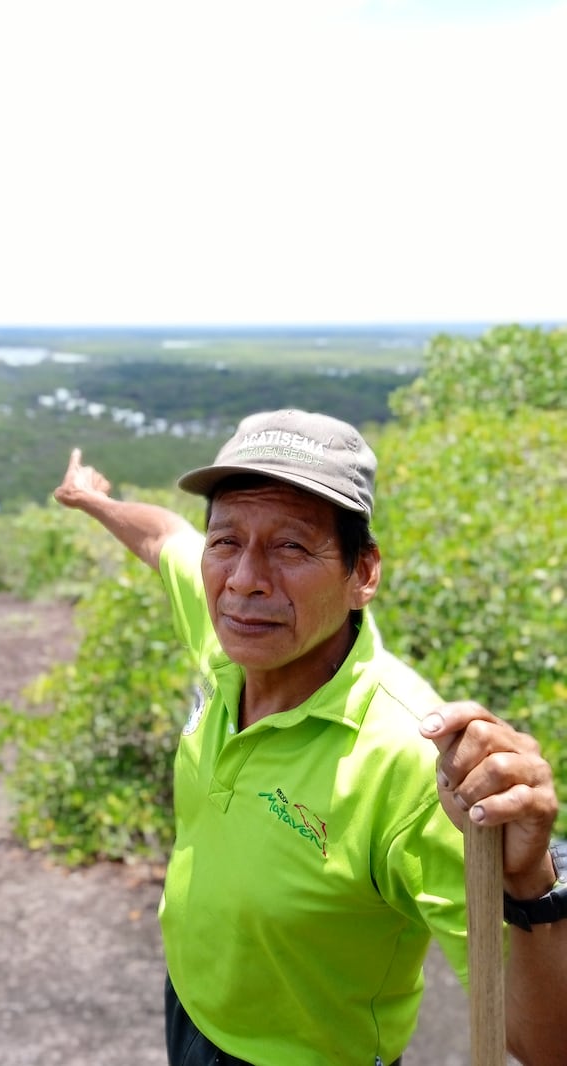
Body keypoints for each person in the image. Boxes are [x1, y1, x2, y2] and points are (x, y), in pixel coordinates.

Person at [54, 408, 565, 1066]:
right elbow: (164, 538)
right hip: (192, 1007)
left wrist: (532, 885)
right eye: (228, 541)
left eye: (291, 546)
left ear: (364, 574)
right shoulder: (228, 637)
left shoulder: (413, 763)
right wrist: (95, 501)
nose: (244, 579)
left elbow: (542, 1042)